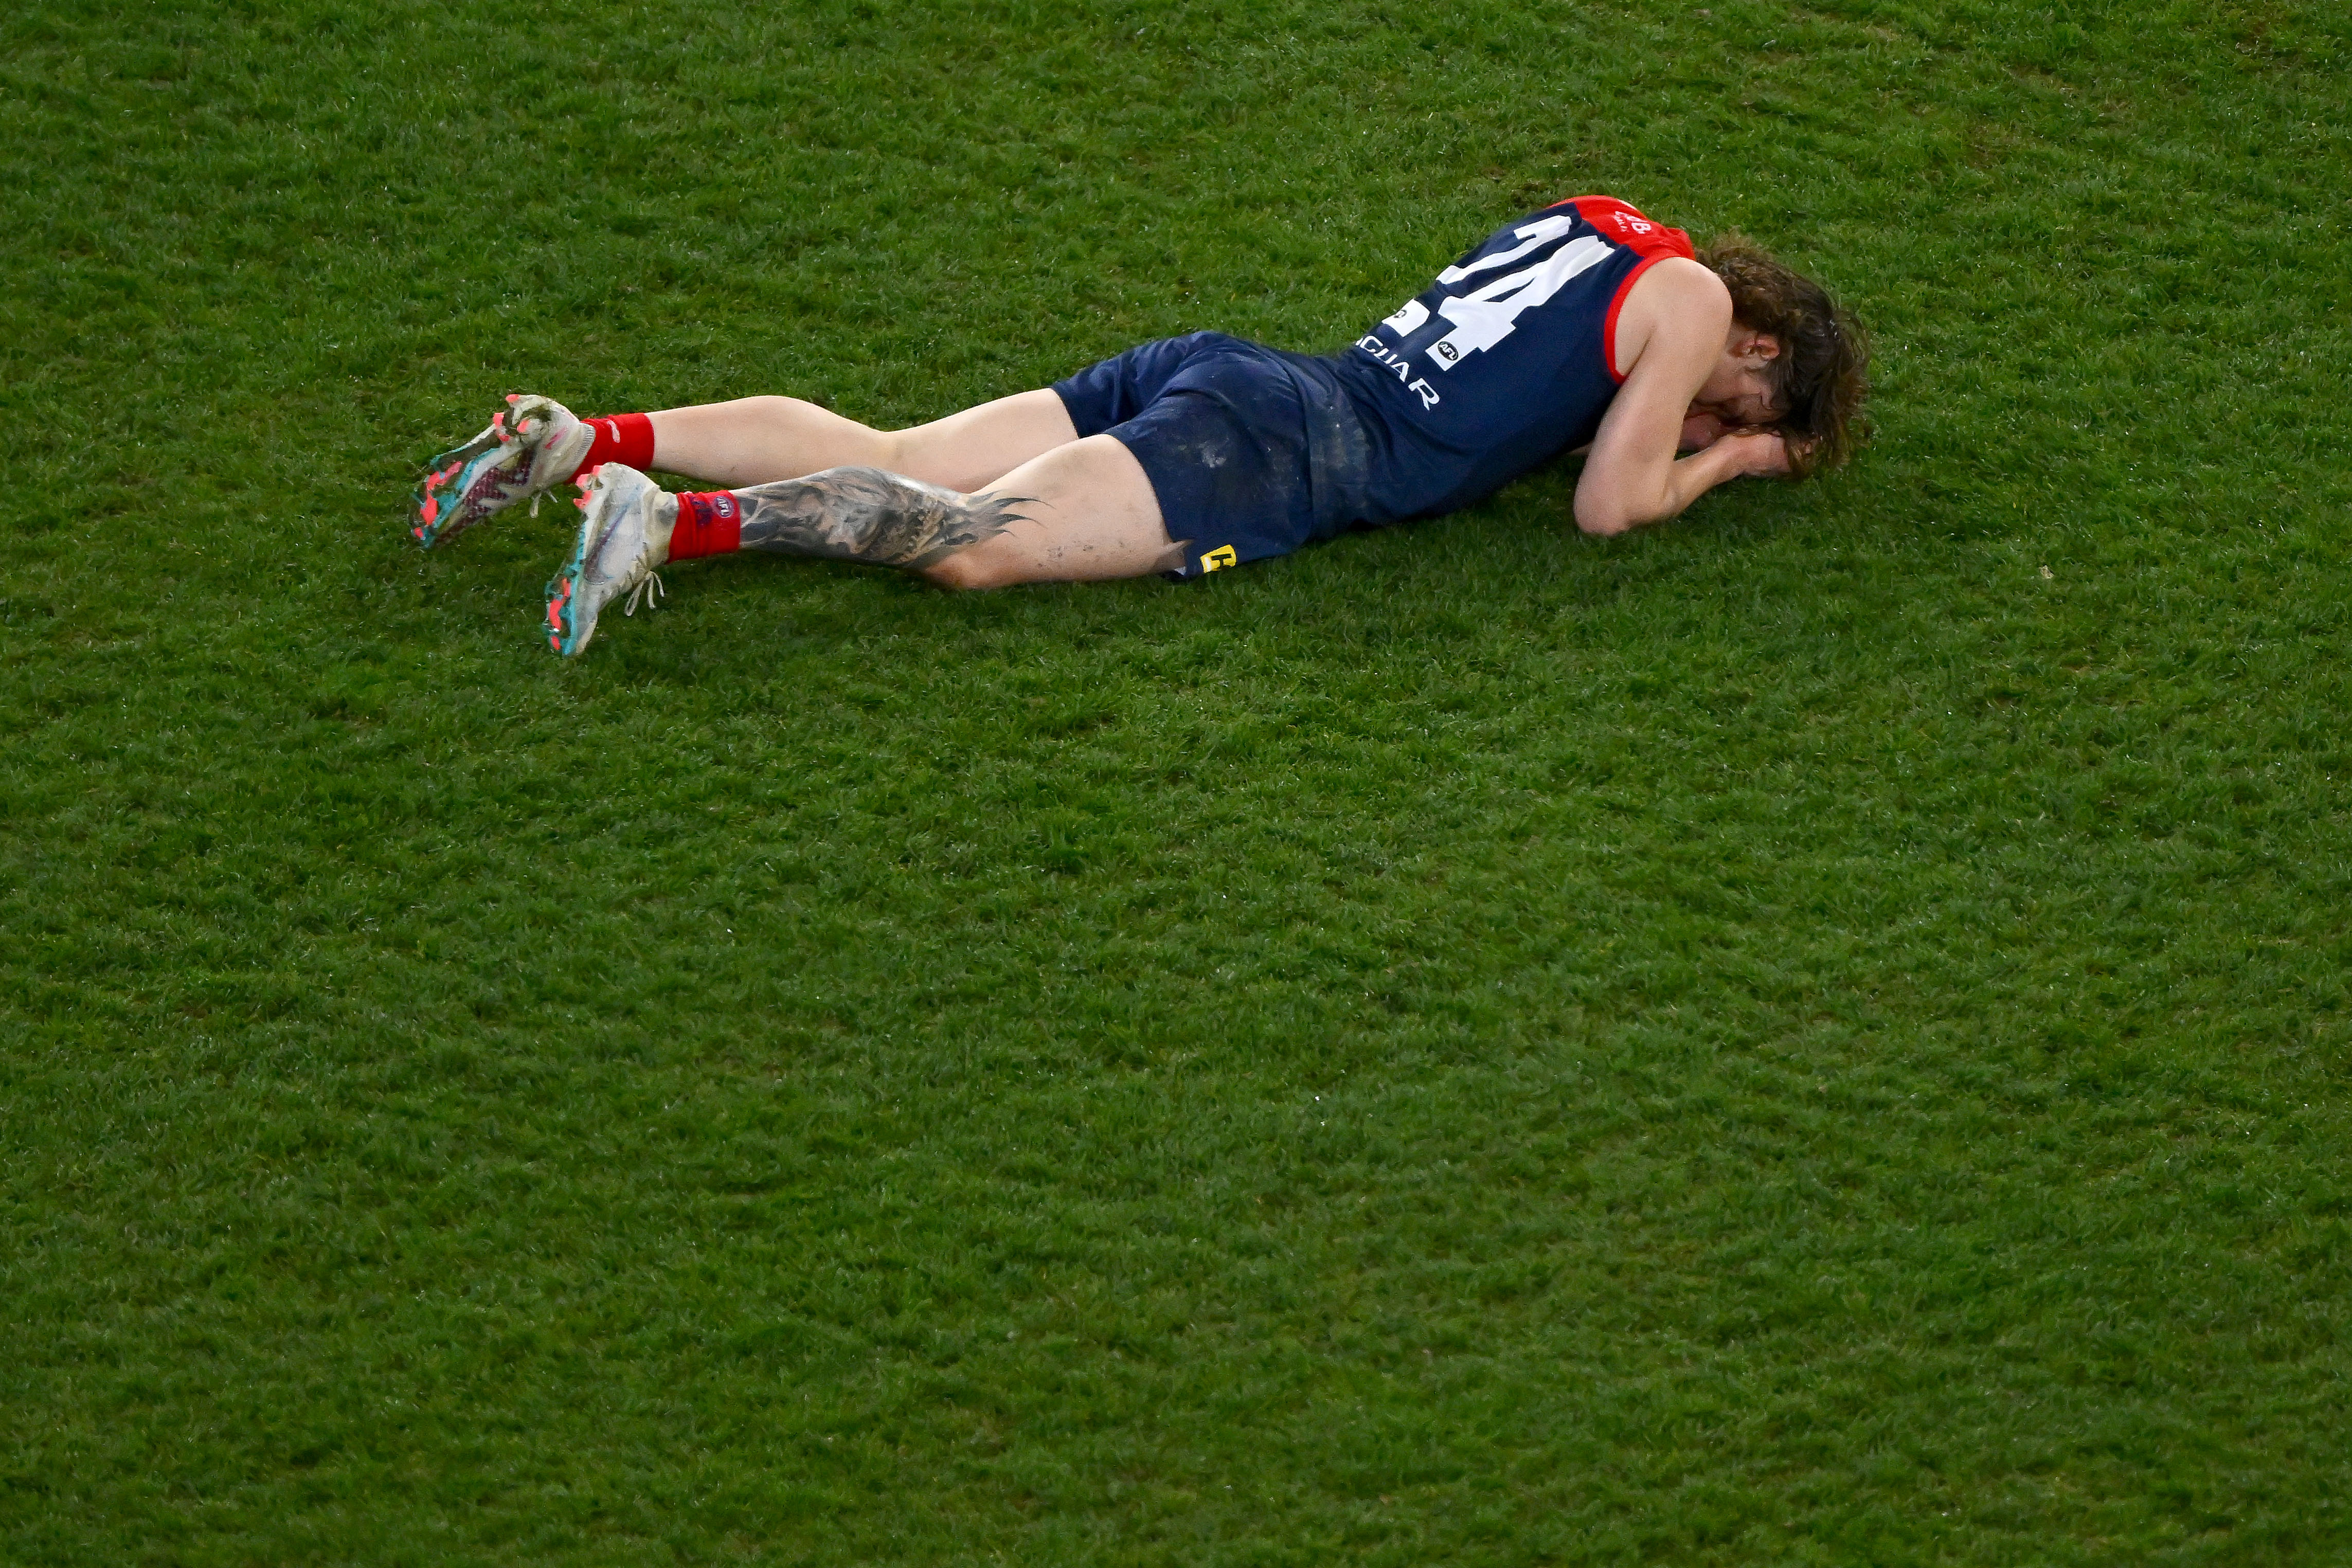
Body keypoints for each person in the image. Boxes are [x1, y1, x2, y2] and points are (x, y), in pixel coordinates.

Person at [411, 195, 1868, 656]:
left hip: (1245, 370)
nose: (1705, 419)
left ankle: (583, 436)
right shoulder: (1684, 304)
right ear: (1754, 343)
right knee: (972, 545)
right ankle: (665, 521)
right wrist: (1732, 457)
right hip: (1280, 450)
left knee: (910, 449)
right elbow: (1609, 506)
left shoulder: (1607, 227)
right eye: (1741, 398)